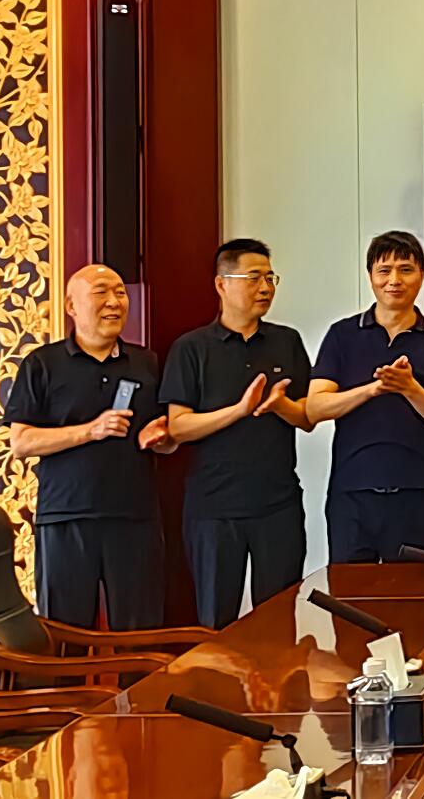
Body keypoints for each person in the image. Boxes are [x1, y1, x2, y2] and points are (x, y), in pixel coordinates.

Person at [4, 264, 176, 630]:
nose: (114, 302)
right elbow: (21, 442)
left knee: (141, 631)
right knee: (66, 634)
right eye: (101, 292)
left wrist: (163, 438)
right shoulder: (43, 364)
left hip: (134, 518)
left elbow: (164, 441)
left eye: (120, 293)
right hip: (66, 518)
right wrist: (90, 431)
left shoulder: (146, 362)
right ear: (71, 306)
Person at [161, 239, 314, 629]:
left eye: (270, 278)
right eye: (253, 278)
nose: (265, 288)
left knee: (279, 621)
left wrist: (279, 405)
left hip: (277, 504)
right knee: (216, 621)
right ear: (221, 284)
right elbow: (178, 426)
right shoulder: (191, 348)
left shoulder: (287, 341)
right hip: (214, 509)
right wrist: (238, 411)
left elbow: (307, 417)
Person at [307, 231, 424, 563]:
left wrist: (410, 388)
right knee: (349, 589)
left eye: (406, 270)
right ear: (370, 276)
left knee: (411, 588)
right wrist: (373, 389)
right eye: (384, 270)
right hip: (352, 489)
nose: (394, 280)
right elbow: (315, 407)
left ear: (422, 275)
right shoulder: (342, 334)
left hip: (416, 490)